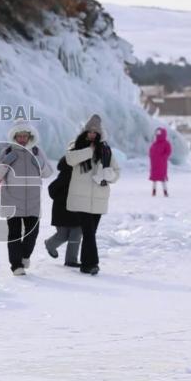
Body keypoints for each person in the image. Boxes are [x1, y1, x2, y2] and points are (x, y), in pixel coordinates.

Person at [0, 119, 53, 275]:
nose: (22, 139)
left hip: (32, 202)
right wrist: (7, 162)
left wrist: (39, 161)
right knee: (14, 234)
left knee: (32, 233)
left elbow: (48, 173)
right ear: (14, 136)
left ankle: (25, 255)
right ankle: (16, 266)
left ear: (29, 136)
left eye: (24, 136)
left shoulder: (37, 152)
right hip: (11, 200)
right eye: (19, 136)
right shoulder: (7, 152)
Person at [65, 114, 119, 275]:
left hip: (99, 198)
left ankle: (85, 263)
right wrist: (89, 151)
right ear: (85, 131)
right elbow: (70, 160)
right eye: (90, 131)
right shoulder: (75, 145)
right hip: (80, 199)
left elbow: (117, 173)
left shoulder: (106, 150)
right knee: (88, 232)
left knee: (90, 233)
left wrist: (108, 174)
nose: (92, 135)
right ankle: (91, 264)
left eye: (96, 132)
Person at [44, 156, 82, 268]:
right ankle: (50, 244)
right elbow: (52, 189)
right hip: (62, 210)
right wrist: (62, 199)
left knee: (76, 233)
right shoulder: (66, 174)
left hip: (76, 209)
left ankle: (71, 260)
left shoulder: (81, 175)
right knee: (63, 235)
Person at [149, 127, 172, 196]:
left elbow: (168, 151)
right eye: (157, 133)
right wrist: (152, 157)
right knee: (154, 179)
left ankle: (165, 191)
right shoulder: (155, 143)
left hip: (162, 163)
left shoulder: (166, 143)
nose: (158, 134)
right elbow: (151, 151)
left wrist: (164, 157)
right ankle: (154, 191)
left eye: (159, 133)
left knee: (163, 178)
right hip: (155, 163)